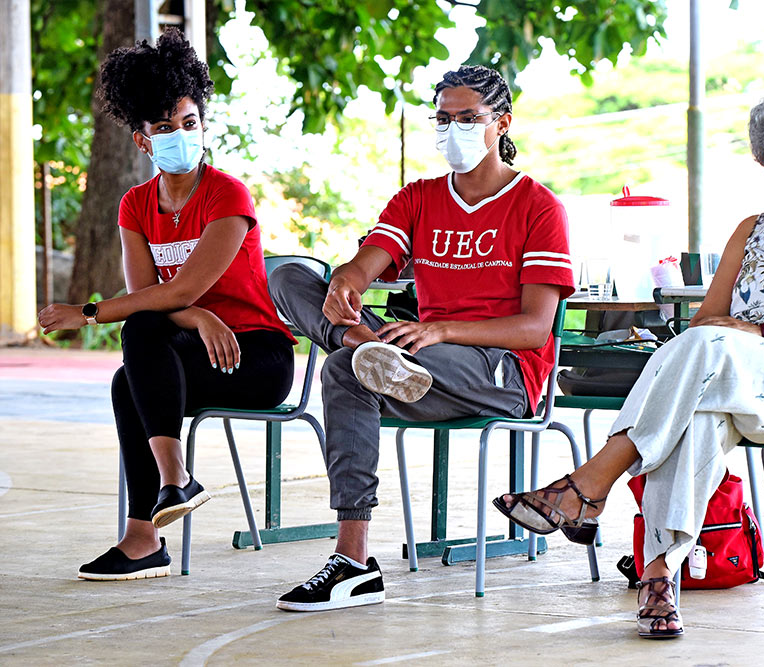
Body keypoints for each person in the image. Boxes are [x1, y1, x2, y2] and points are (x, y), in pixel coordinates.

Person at [494, 84, 764, 639]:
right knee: (701, 413)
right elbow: (707, 322)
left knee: (711, 354)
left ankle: (592, 483)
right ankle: (660, 577)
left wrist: (757, 331)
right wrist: (737, 339)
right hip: (746, 392)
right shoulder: (752, 230)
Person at [268, 65, 574, 612]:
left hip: (500, 370)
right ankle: (354, 561)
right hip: (416, 360)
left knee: (347, 368)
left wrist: (441, 329)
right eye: (442, 119)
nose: (451, 129)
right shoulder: (418, 198)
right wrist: (346, 282)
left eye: (467, 118)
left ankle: (366, 354)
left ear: (502, 122)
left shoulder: (539, 206)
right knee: (288, 276)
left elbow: (534, 328)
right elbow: (369, 262)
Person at [37, 29, 295, 581]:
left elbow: (169, 291)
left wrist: (87, 313)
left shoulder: (228, 195)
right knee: (129, 368)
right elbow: (150, 300)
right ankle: (152, 523)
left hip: (255, 355)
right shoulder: (135, 205)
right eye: (163, 128)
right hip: (191, 347)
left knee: (138, 347)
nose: (180, 135)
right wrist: (197, 314)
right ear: (142, 140)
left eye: (189, 123)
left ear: (201, 124)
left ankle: (166, 495)